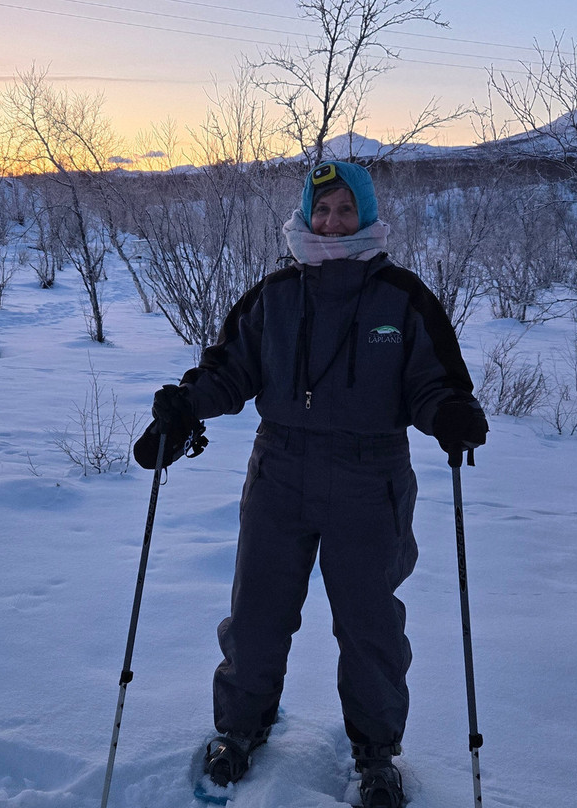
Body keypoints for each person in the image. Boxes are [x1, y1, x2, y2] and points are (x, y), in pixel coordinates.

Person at [134, 160, 487, 808]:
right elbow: (229, 370)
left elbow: (434, 382)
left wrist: (450, 416)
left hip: (370, 476)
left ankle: (376, 757)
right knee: (258, 613)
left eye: (344, 211)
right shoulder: (274, 296)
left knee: (370, 626)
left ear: (367, 216)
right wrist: (184, 409)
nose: (331, 222)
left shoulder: (402, 298)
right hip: (280, 472)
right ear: (305, 214)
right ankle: (241, 730)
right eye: (321, 210)